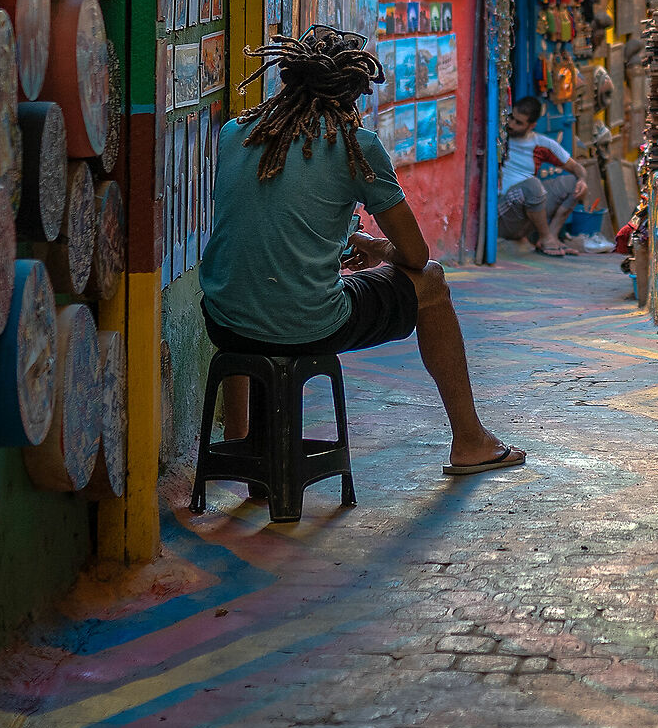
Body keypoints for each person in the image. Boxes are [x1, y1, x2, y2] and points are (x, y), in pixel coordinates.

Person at [199, 27, 524, 480]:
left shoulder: (237, 133)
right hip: (309, 325)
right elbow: (414, 253)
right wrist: (373, 246)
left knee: (250, 295)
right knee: (431, 281)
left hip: (225, 320)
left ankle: (247, 455)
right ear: (354, 91)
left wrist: (340, 243)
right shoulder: (356, 146)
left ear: (288, 78)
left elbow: (271, 223)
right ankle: (469, 440)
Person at [494, 96, 591, 257]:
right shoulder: (498, 136)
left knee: (573, 184)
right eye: (511, 118)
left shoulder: (541, 143)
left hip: (528, 211)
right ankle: (546, 237)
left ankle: (549, 237)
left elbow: (576, 167)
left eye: (519, 123)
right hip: (503, 213)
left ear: (531, 126)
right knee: (532, 185)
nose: (511, 125)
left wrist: (583, 181)